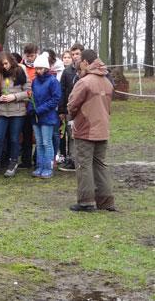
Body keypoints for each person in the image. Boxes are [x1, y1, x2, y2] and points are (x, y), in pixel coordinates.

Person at [67, 49, 116, 212]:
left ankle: (86, 201)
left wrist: (71, 116)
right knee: (100, 164)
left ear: (86, 63)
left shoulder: (84, 82)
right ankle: (106, 201)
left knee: (84, 165)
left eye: (80, 61)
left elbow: (72, 105)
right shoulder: (107, 82)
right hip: (102, 129)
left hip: (86, 129)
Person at [0, 52, 30, 179]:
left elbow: (28, 92)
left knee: (14, 138)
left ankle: (13, 163)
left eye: (6, 63)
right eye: (2, 64)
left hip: (17, 111)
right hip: (2, 111)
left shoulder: (20, 71)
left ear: (11, 61)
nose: (4, 66)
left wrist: (14, 96)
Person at [28, 52, 61, 179]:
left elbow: (55, 99)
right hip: (36, 117)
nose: (38, 70)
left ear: (46, 68)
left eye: (40, 68)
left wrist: (40, 109)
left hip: (47, 116)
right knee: (39, 143)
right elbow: (32, 96)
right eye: (36, 68)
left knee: (47, 142)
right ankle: (40, 166)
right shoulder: (35, 81)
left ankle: (48, 167)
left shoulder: (53, 81)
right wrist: (31, 108)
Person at [58, 43, 84, 171]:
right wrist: (62, 110)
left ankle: (83, 160)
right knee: (71, 134)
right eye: (73, 54)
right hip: (70, 109)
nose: (75, 57)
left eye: (77, 54)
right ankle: (72, 159)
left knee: (85, 135)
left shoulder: (87, 70)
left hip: (85, 109)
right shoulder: (67, 72)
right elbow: (62, 91)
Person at [20, 43, 39, 168]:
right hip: (24, 104)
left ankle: (38, 158)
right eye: (28, 56)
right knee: (26, 134)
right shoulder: (21, 67)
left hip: (37, 103)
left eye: (32, 56)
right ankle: (25, 160)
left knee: (38, 134)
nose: (30, 58)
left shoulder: (40, 66)